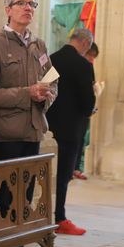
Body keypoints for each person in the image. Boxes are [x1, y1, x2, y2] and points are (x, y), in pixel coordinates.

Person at [0, 0, 57, 247]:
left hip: (32, 132)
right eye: (22, 3)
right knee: (4, 202)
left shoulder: (39, 45)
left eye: (32, 4)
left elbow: (53, 82)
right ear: (8, 9)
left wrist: (46, 96)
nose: (28, 8)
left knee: (23, 202)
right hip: (6, 136)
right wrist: (27, 93)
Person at [46, 28, 95, 236]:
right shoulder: (83, 65)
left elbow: (45, 88)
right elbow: (88, 101)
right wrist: (90, 109)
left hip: (49, 125)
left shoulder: (51, 59)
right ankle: (60, 217)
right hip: (71, 128)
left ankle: (43, 215)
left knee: (46, 172)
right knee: (64, 174)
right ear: (84, 43)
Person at [73, 42, 99, 180]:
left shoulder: (89, 67)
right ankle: (70, 168)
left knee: (81, 139)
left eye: (94, 57)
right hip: (74, 110)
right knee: (73, 139)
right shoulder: (77, 65)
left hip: (84, 110)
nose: (91, 59)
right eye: (90, 55)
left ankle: (76, 168)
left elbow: (91, 86)